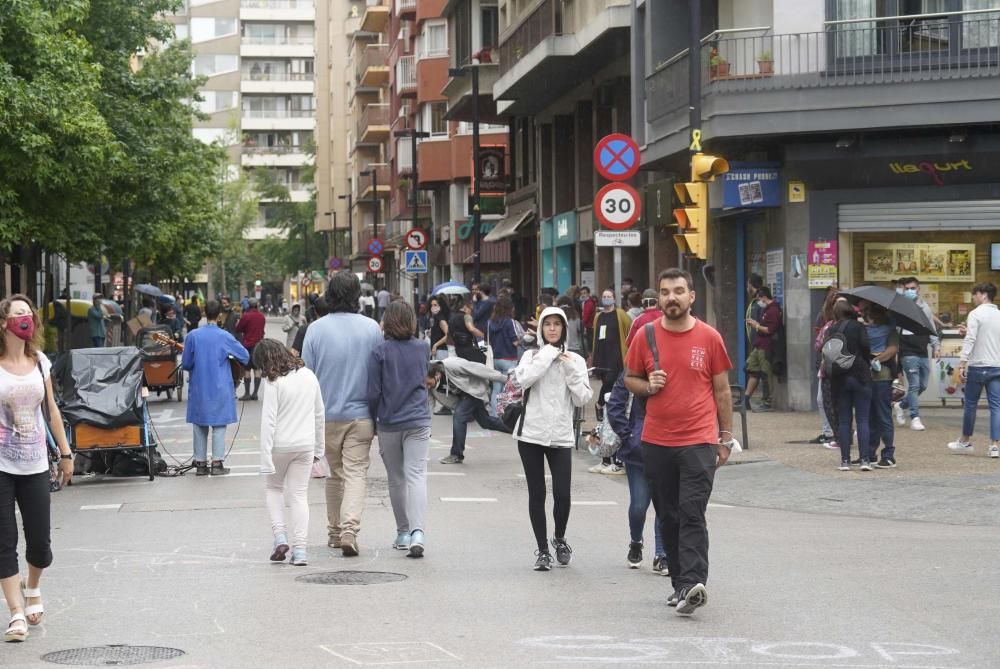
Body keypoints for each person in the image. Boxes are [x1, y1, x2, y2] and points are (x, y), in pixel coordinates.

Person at [624, 268, 734, 615]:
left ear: (692, 296)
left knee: (692, 511)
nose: (671, 297)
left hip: (699, 439)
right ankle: (679, 584)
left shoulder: (710, 337)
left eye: (678, 291)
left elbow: (722, 389)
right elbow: (630, 378)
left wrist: (725, 437)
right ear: (659, 298)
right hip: (656, 440)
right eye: (665, 292)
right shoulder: (645, 335)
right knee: (668, 515)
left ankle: (693, 582)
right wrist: (648, 386)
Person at [0, 294, 74, 642]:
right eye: (18, 314)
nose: (25, 318)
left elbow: (53, 411)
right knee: (4, 542)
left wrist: (65, 452)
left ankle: (32, 586)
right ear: (4, 323)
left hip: (35, 464)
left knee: (41, 544)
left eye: (28, 313)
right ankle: (15, 613)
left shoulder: (41, 361)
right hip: (1, 464)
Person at [302, 271, 383, 557]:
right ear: (357, 295)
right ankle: (350, 528)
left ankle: (335, 533)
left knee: (335, 475)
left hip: (325, 415)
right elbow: (378, 373)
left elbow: (307, 375)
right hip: (361, 414)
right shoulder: (372, 328)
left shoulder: (315, 329)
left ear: (330, 295)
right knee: (356, 473)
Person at [512, 306, 592, 570]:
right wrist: (546, 355)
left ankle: (559, 538)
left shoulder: (576, 359)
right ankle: (543, 550)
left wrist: (568, 369)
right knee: (537, 493)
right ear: (541, 329)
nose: (553, 329)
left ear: (564, 328)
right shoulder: (531, 355)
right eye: (548, 324)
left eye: (558, 324)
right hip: (531, 434)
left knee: (562, 493)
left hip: (560, 434)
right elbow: (523, 380)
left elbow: (582, 397)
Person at [368, 302, 432, 558]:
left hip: (389, 421)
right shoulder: (422, 348)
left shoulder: (379, 352)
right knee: (417, 475)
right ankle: (418, 532)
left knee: (396, 479)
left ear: (386, 322)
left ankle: (403, 532)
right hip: (418, 419)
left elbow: (373, 392)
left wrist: (374, 420)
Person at [255, 339, 325, 567]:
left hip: (279, 446)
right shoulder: (309, 375)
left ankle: (280, 537)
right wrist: (319, 448)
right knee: (299, 495)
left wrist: (265, 457)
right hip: (305, 445)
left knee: (274, 489)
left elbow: (268, 422)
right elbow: (319, 414)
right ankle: (301, 550)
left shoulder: (273, 382)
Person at [606, 372, 667, 574]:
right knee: (639, 505)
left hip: (667, 447)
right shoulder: (630, 374)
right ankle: (635, 541)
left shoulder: (671, 367)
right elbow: (615, 405)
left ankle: (661, 554)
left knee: (664, 505)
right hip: (638, 451)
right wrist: (628, 435)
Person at [181, 300, 250, 476]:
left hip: (199, 386)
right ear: (219, 315)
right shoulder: (225, 336)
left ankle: (201, 463)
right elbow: (245, 355)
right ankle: (217, 463)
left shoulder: (193, 336)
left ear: (204, 313)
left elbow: (186, 364)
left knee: (199, 424)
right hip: (221, 386)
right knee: (219, 425)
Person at [948, 282, 1000, 457]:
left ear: (983, 294)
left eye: (975, 294)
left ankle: (965, 441)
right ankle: (994, 446)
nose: (973, 297)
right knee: (996, 407)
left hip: (978, 366)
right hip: (996, 366)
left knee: (970, 405)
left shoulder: (975, 314)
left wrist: (962, 362)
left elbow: (971, 339)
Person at [436, 356, 512, 464]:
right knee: (485, 422)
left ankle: (456, 454)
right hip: (466, 394)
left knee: (459, 416)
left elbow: (478, 368)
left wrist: (505, 379)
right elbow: (433, 404)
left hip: (473, 391)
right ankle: (516, 429)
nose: (429, 386)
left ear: (436, 374)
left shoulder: (451, 365)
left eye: (429, 384)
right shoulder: (429, 380)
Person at [827, 300, 873, 471]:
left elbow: (828, 354)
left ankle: (845, 461)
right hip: (860, 375)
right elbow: (866, 347)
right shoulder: (859, 327)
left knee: (844, 422)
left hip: (840, 378)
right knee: (863, 419)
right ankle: (865, 460)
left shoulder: (832, 329)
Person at [895, 277, 940, 431]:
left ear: (918, 289)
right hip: (907, 351)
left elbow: (931, 327)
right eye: (906, 288)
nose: (909, 291)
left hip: (922, 350)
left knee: (923, 385)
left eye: (912, 288)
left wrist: (936, 346)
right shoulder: (899, 307)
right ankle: (915, 417)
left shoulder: (924, 308)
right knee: (914, 384)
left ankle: (901, 405)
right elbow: (894, 330)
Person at [588, 288, 632, 423]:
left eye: (609, 296)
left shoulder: (621, 314)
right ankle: (610, 409)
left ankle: (600, 403)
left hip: (616, 354)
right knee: (607, 382)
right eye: (604, 296)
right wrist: (592, 356)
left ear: (614, 299)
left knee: (610, 380)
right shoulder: (598, 316)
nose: (606, 298)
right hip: (602, 354)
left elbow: (629, 330)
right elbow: (595, 336)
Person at [865, 304, 899, 468]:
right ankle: (888, 454)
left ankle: (870, 453)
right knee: (883, 414)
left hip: (866, 376)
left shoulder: (864, 331)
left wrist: (870, 360)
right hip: (883, 376)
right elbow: (892, 350)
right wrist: (878, 359)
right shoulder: (890, 330)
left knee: (870, 416)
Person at [810, 288, 841, 445]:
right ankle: (832, 432)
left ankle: (837, 433)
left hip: (833, 367)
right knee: (823, 400)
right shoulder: (826, 323)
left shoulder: (832, 327)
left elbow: (820, 345)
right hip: (827, 366)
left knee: (829, 400)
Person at [743, 287, 782, 412]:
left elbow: (769, 330)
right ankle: (746, 399)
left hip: (766, 346)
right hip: (758, 344)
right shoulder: (766, 310)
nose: (759, 302)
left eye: (759, 299)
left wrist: (756, 325)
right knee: (751, 368)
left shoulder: (774, 310)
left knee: (766, 373)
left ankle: (767, 401)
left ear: (764, 297)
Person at [488, 297, 521, 415]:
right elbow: (515, 341)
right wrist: (522, 340)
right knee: (508, 389)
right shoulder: (509, 321)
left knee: (496, 389)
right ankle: (505, 414)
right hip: (509, 358)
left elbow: (489, 341)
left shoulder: (491, 322)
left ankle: (494, 415)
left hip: (496, 358)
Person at [235, 298, 266, 400]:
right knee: (257, 369)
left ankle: (247, 393)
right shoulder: (262, 317)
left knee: (247, 369)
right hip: (259, 346)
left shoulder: (246, 316)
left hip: (248, 346)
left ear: (248, 305)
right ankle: (255, 393)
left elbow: (238, 329)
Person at [448, 298, 485, 364]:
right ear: (465, 307)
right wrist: (483, 336)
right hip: (470, 349)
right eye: (471, 309)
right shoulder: (467, 316)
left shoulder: (452, 319)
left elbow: (449, 336)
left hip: (458, 350)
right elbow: (471, 329)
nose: (471, 312)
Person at [579, 286, 596, 357]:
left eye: (585, 293)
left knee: (589, 347)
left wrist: (581, 325)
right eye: (582, 293)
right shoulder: (585, 302)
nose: (583, 295)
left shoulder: (589, 303)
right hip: (588, 326)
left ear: (588, 293)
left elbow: (586, 316)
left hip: (589, 327)